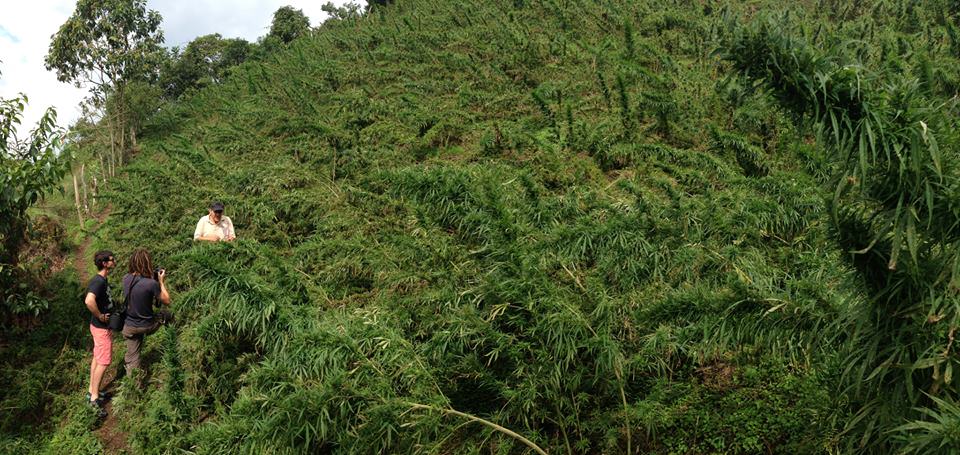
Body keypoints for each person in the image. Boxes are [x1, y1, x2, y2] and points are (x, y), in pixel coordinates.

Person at [121, 248, 171, 377]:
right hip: (147, 325)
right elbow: (166, 300)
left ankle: (132, 387)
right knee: (168, 314)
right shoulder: (151, 284)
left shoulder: (126, 279)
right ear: (148, 263)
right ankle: (173, 344)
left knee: (133, 358)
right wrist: (160, 281)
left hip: (129, 327)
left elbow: (139, 285)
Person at [85, 250, 116, 414]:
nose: (114, 261)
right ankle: (94, 398)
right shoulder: (98, 281)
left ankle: (92, 390)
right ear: (104, 263)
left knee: (97, 358)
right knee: (104, 361)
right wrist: (100, 315)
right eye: (111, 259)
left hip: (97, 327)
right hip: (101, 328)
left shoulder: (102, 279)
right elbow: (89, 300)